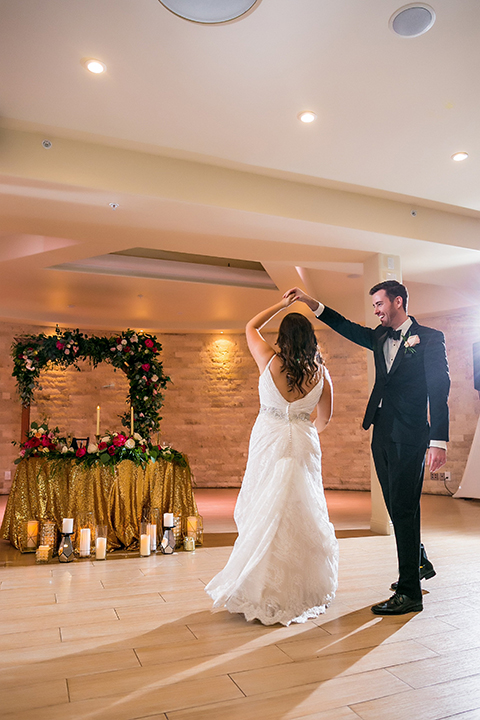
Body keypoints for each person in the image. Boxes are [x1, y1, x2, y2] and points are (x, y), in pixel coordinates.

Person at [284, 281, 450, 615]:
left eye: (379, 304)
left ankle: (409, 593)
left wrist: (438, 441)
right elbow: (345, 327)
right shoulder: (378, 336)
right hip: (382, 431)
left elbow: (439, 388)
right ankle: (417, 561)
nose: (376, 311)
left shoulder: (429, 338)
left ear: (398, 301)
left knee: (402, 508)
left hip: (412, 434)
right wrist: (311, 303)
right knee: (394, 503)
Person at [205, 294, 339, 625]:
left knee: (267, 507)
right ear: (311, 339)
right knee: (301, 509)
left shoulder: (268, 360)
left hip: (270, 440)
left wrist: (281, 304)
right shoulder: (322, 375)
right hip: (303, 443)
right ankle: (301, 587)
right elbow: (324, 420)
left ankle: (261, 585)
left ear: (282, 337)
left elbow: (250, 325)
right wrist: (304, 430)